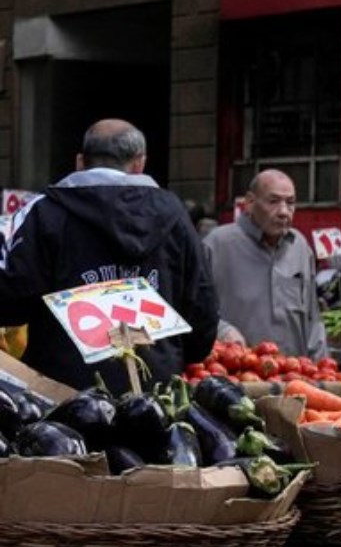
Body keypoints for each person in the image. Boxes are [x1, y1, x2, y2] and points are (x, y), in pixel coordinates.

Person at [0, 119, 218, 393]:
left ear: (80, 161)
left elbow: (12, 299)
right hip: (156, 394)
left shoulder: (45, 212)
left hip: (65, 396)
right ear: (139, 163)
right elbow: (202, 310)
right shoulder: (175, 215)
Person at [203, 169, 326, 359]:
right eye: (273, 201)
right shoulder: (218, 245)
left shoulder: (300, 247)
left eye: (290, 202)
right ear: (250, 203)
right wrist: (221, 329)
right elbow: (191, 306)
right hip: (237, 374)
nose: (284, 212)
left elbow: (312, 318)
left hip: (293, 375)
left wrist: (321, 367)